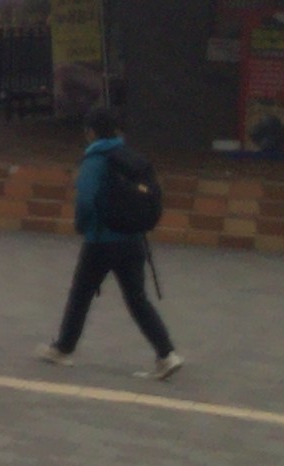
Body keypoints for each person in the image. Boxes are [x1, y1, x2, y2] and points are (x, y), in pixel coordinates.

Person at [37, 108, 184, 379]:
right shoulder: (130, 158)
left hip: (101, 241)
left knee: (80, 294)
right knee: (137, 299)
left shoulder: (95, 159)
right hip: (133, 240)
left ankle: (63, 348)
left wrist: (82, 226)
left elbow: (86, 199)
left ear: (90, 132)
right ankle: (167, 354)